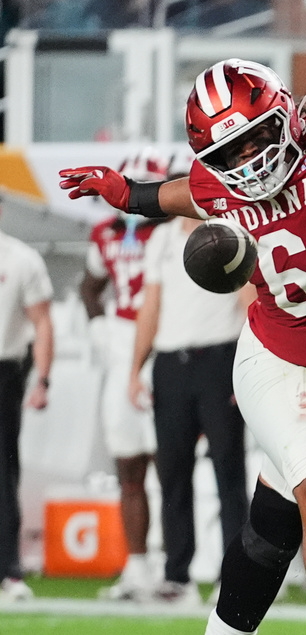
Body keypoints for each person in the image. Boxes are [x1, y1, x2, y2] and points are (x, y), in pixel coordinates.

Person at [58, 0, 306, 635]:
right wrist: (121, 191)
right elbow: (166, 194)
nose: (247, 160)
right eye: (229, 150)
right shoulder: (215, 185)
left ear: (289, 117)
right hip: (283, 362)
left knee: (275, 526)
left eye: (257, 136)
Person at [128, 214, 252, 605]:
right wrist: (135, 369)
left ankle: (235, 575)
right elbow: (151, 306)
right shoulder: (162, 240)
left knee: (228, 471)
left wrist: (248, 369)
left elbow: (249, 302)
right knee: (172, 472)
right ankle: (176, 575)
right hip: (170, 362)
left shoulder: (231, 233)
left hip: (220, 358)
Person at [79, 151, 169, 601]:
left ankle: (175, 568)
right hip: (120, 350)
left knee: (171, 467)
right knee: (127, 462)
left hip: (164, 347)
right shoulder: (104, 234)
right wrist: (98, 325)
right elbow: (89, 286)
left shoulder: (174, 233)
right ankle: (136, 567)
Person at [0, 195, 53, 602]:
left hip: (4, 370)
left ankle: (9, 570)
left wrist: (43, 379)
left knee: (3, 473)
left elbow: (42, 321)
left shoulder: (20, 259)